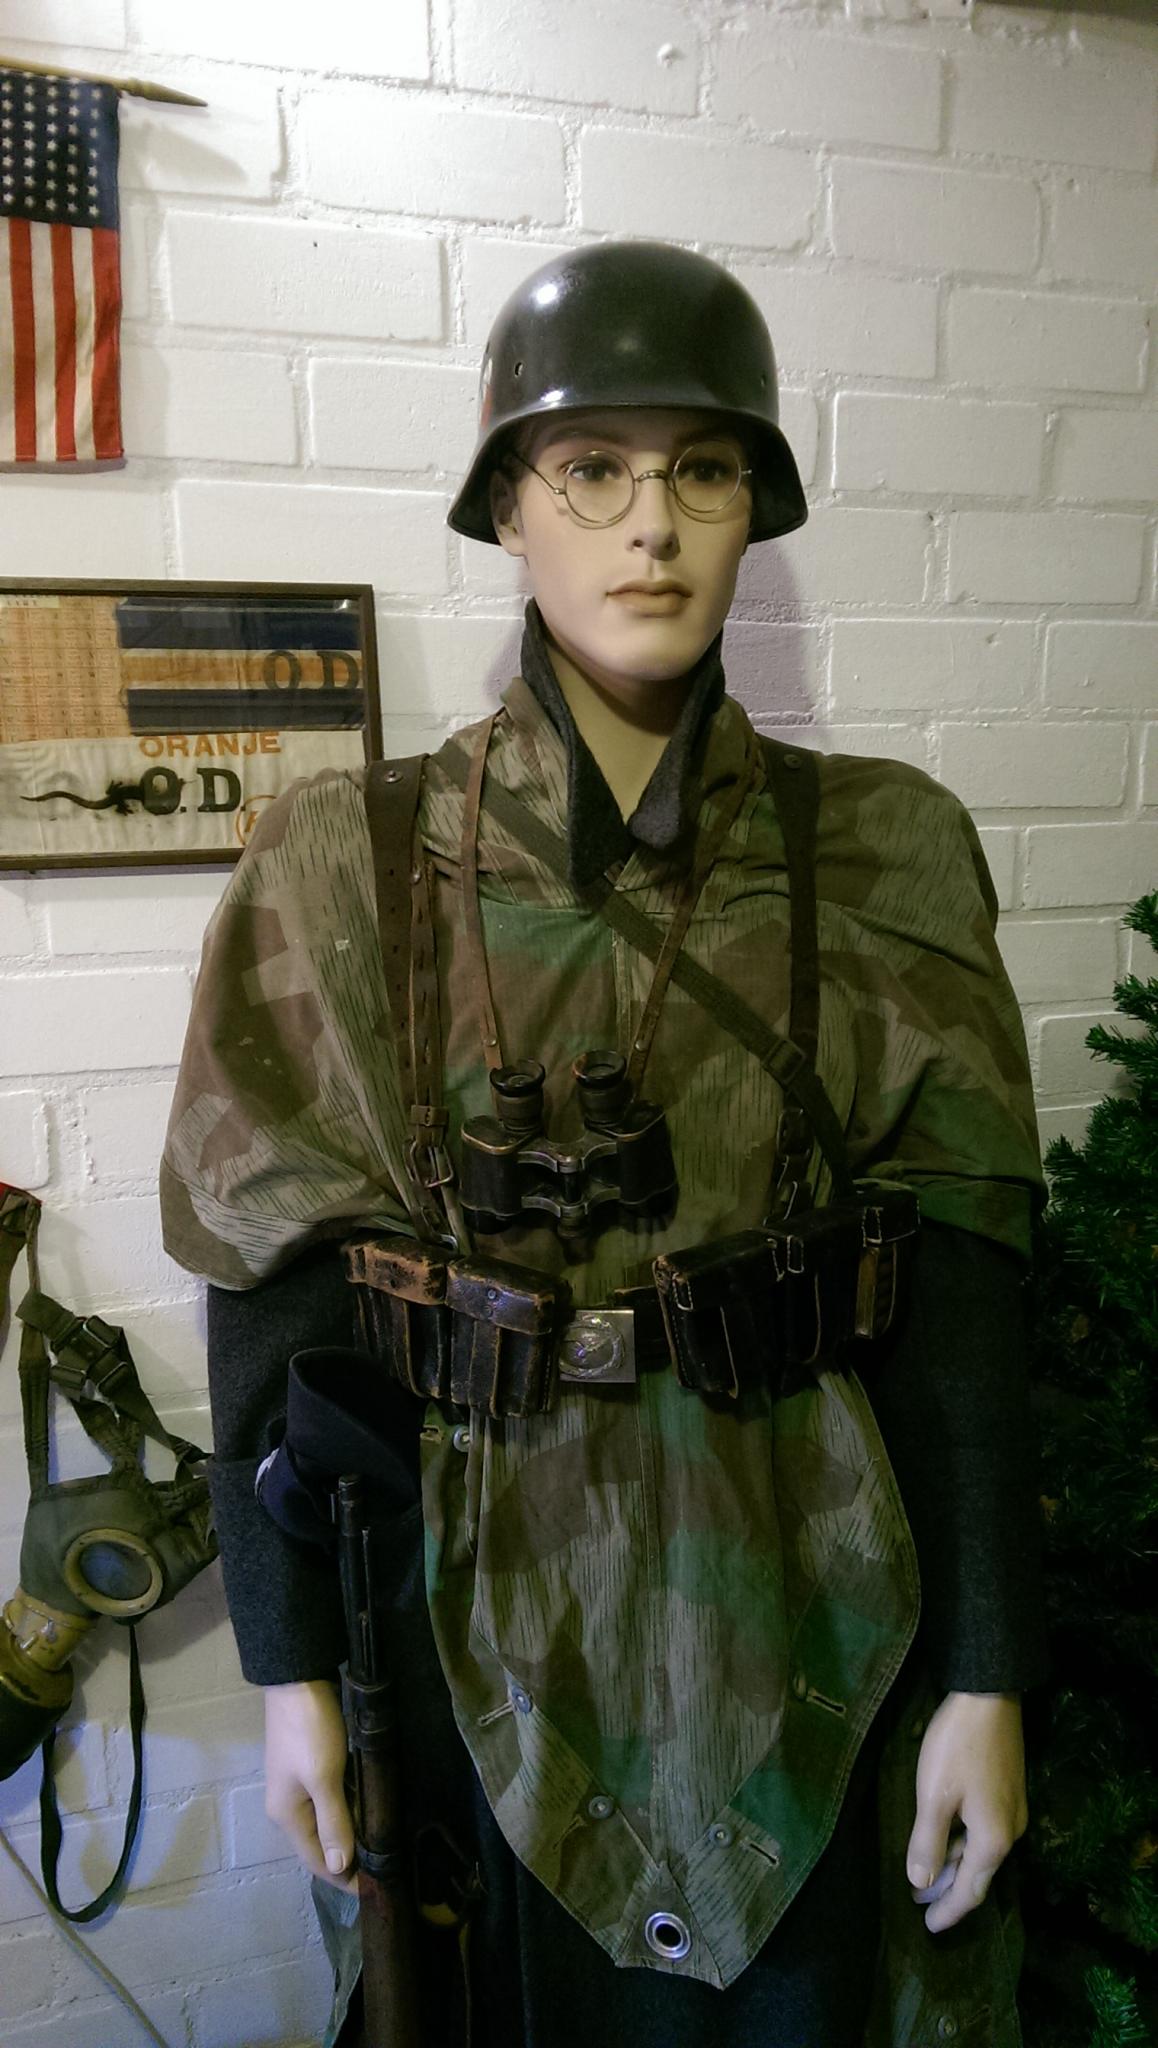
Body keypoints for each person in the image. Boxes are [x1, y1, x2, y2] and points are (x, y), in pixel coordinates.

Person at [160, 239, 1050, 2047]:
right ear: (507, 507)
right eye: (591, 469)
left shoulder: (881, 853)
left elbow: (960, 1294)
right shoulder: (345, 861)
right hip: (467, 1618)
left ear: (749, 510)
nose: (651, 525)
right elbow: (273, 1294)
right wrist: (289, 1667)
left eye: (701, 471)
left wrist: (986, 1673)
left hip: (818, 1609)